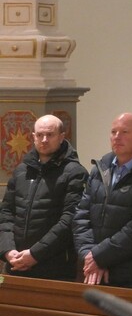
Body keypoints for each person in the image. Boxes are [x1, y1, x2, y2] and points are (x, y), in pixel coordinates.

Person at [73, 113, 132, 289]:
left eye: (124, 132)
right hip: (91, 269)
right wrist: (89, 255)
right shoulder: (99, 169)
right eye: (113, 131)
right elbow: (81, 216)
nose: (117, 137)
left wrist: (100, 256)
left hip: (130, 275)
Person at [0, 115, 88, 281]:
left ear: (62, 137)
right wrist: (7, 251)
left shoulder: (75, 173)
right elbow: (6, 214)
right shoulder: (21, 171)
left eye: (50, 135)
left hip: (53, 267)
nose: (44, 139)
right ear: (33, 137)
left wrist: (34, 254)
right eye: (39, 135)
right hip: (15, 263)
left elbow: (69, 220)